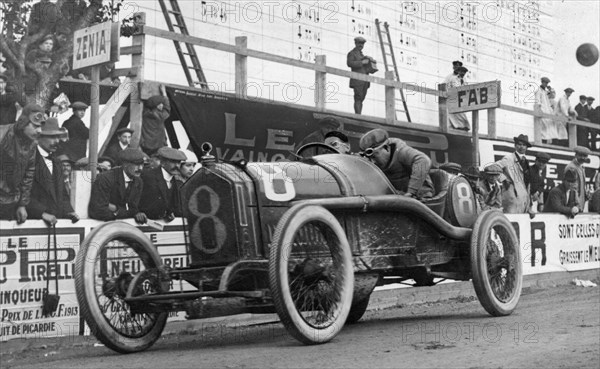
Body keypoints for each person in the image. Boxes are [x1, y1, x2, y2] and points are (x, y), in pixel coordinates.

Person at [27, 118, 79, 225]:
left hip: (56, 224)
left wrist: (69, 211)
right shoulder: (27, 160)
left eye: (58, 137)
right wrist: (41, 213)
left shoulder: (57, 162)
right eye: (52, 137)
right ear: (39, 137)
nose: (57, 141)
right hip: (33, 223)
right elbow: (20, 192)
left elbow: (62, 194)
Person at [0, 104, 45, 222]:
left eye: (40, 126)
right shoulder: (2, 135)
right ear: (23, 122)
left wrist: (22, 204)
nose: (39, 131)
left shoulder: (32, 144)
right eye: (35, 126)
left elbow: (28, 175)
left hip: (9, 203)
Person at [359, 128, 434, 199]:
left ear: (386, 148)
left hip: (421, 197)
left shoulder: (401, 152)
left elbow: (423, 160)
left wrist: (411, 192)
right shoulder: (375, 161)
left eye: (374, 157)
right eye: (370, 158)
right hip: (397, 197)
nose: (373, 162)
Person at [88, 148, 147, 223]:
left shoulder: (138, 182)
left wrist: (115, 209)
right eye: (136, 165)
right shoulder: (106, 178)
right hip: (101, 226)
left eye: (142, 164)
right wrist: (127, 212)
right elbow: (98, 210)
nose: (140, 168)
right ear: (125, 164)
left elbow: (133, 209)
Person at [139, 147, 186, 221]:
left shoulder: (179, 184)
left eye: (179, 162)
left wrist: (171, 213)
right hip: (144, 225)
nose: (177, 166)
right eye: (173, 162)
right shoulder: (147, 177)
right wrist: (137, 213)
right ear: (163, 163)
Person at [495, 134, 531, 213]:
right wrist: (503, 179)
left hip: (523, 200)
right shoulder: (509, 158)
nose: (521, 147)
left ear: (526, 147)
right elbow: (494, 167)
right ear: (515, 146)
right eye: (519, 144)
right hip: (511, 198)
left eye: (524, 145)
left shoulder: (526, 162)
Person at [140, 85, 170, 156]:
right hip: (159, 145)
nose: (162, 106)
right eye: (160, 104)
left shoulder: (144, 113)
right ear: (156, 106)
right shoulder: (161, 116)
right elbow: (167, 108)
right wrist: (164, 93)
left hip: (146, 145)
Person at [347, 36, 373, 114]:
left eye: (362, 44)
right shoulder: (352, 53)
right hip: (357, 80)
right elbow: (350, 63)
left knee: (361, 98)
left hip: (364, 80)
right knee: (358, 98)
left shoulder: (362, 55)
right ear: (356, 43)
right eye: (359, 43)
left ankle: (359, 115)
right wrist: (362, 62)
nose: (361, 45)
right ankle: (358, 115)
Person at [444, 66, 470, 131]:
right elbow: (455, 87)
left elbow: (466, 88)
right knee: (454, 114)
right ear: (459, 72)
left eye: (464, 72)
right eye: (462, 72)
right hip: (453, 98)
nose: (463, 73)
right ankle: (458, 126)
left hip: (460, 99)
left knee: (461, 113)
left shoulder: (464, 80)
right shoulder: (453, 78)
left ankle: (464, 126)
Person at [534, 77, 555, 144]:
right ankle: (542, 142)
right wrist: (540, 111)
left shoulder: (546, 92)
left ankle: (546, 143)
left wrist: (550, 90)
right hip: (542, 112)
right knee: (543, 129)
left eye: (547, 83)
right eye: (545, 82)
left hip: (547, 112)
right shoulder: (538, 91)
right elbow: (537, 102)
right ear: (542, 82)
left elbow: (552, 96)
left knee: (548, 129)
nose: (546, 84)